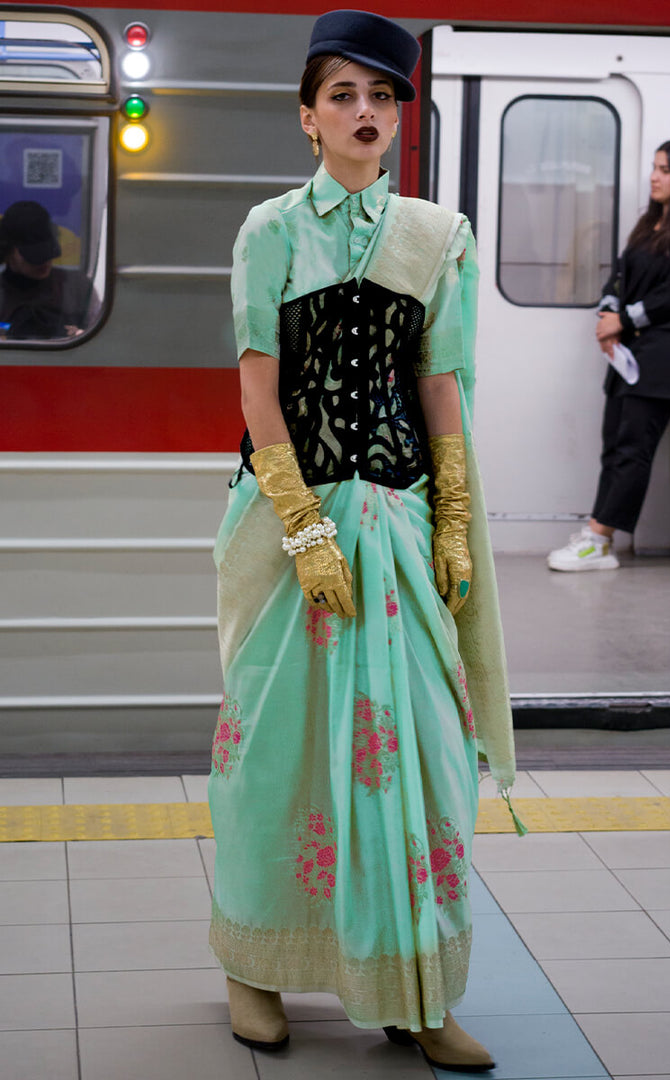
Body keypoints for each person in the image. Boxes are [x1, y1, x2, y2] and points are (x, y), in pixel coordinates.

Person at [208, 10, 517, 1072]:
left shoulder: (440, 234)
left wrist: (457, 521)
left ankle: (415, 990)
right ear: (307, 117)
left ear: (402, 115)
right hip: (292, 520)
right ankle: (254, 966)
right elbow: (258, 389)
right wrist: (301, 528)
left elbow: (440, 384)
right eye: (343, 95)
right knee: (278, 757)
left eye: (383, 97)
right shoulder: (270, 231)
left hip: (398, 521)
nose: (365, 113)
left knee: (425, 759)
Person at [548, 139, 670, 572]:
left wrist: (622, 321)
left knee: (632, 449)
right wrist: (609, 309)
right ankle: (599, 540)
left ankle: (598, 537)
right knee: (614, 445)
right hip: (630, 355)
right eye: (654, 167)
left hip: (664, 356)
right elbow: (620, 276)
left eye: (664, 169)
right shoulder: (651, 224)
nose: (654, 176)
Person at [0, 200, 97, 339]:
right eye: (34, 255)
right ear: (9, 251)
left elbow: (100, 335)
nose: (44, 262)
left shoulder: (77, 288)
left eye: (48, 252)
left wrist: (79, 334)